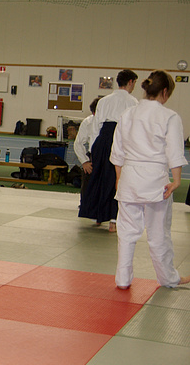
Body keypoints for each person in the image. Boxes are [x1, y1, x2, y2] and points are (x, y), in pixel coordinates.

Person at [110, 70, 190, 290]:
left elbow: (117, 152)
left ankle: (122, 279)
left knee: (126, 232)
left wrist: (119, 178)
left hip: (129, 178)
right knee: (158, 234)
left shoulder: (128, 114)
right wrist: (176, 180)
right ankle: (168, 278)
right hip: (156, 181)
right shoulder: (169, 117)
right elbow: (174, 151)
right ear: (165, 91)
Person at [79, 69, 138, 233]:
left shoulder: (104, 101)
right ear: (131, 82)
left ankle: (97, 216)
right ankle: (113, 220)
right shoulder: (133, 102)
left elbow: (96, 127)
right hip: (122, 140)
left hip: (103, 140)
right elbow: (134, 128)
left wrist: (93, 151)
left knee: (99, 179)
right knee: (117, 180)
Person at [73, 97, 101, 195]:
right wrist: (84, 161)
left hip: (108, 157)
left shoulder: (111, 122)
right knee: (88, 189)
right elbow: (78, 143)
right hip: (92, 158)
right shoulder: (88, 122)